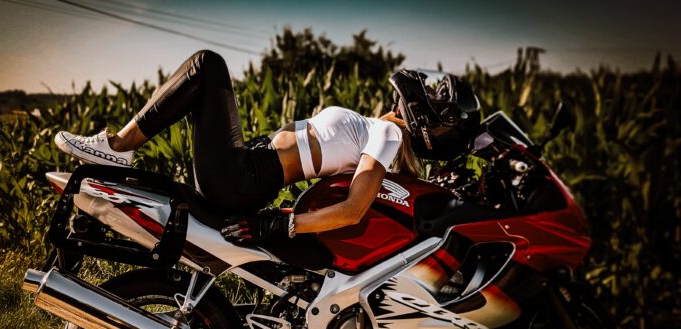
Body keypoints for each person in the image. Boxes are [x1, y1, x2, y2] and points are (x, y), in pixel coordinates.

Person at [54, 50, 480, 245]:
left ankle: (118, 146)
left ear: (429, 119)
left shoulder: (388, 135)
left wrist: (280, 225)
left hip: (246, 177)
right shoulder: (379, 131)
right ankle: (110, 181)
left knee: (207, 66)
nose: (426, 91)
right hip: (247, 168)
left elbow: (353, 209)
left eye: (434, 96)